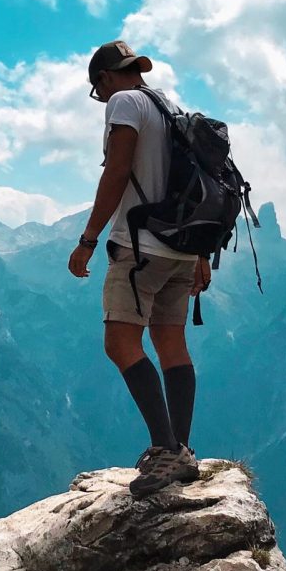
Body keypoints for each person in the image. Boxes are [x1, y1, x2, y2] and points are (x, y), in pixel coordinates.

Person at [67, 41, 209, 497]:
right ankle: (182, 450)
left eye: (98, 90)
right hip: (183, 246)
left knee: (119, 339)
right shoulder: (170, 105)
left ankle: (164, 448)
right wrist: (201, 253)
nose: (102, 100)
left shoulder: (125, 103)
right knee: (171, 340)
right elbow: (193, 181)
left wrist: (88, 239)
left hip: (140, 245)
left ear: (106, 78)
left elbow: (117, 171)